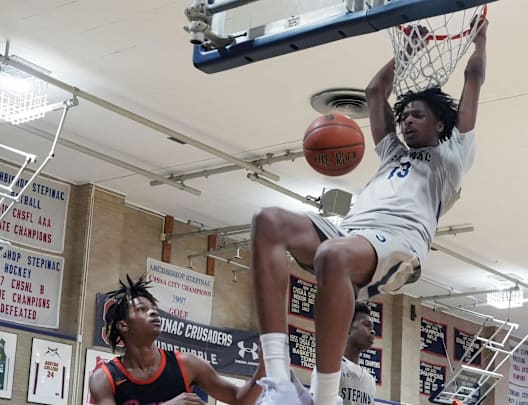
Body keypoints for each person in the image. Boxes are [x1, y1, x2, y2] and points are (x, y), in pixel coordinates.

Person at [251, 20, 489, 405]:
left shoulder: (453, 155)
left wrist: (480, 42)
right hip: (352, 232)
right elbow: (375, 91)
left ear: (440, 124)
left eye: (418, 115)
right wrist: (405, 52)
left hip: (401, 243)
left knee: (332, 255)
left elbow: (473, 80)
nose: (407, 120)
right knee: (267, 221)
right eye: (405, 115)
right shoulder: (394, 152)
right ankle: (278, 381)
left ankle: (324, 397)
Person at [89, 275, 264, 405]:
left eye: (154, 309)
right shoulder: (104, 378)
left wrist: (264, 366)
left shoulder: (188, 364)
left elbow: (239, 399)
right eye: (142, 309)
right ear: (123, 325)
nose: (153, 312)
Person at [312, 302, 377, 405]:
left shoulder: (370, 381)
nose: (372, 331)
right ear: (348, 326)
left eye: (372, 327)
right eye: (366, 325)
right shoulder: (330, 367)